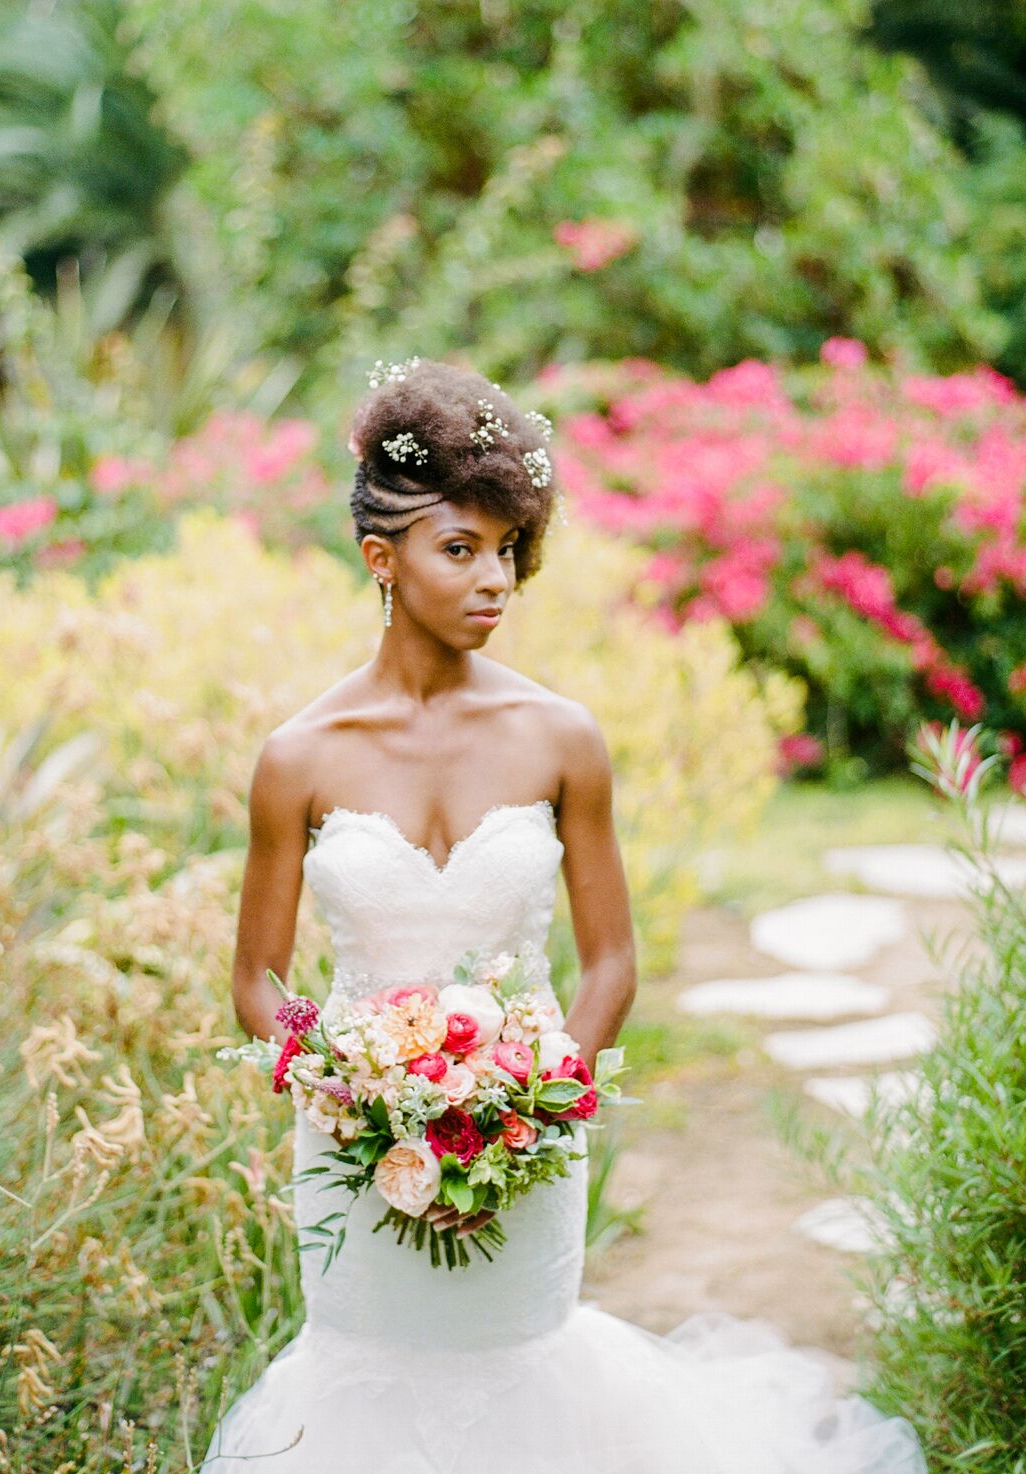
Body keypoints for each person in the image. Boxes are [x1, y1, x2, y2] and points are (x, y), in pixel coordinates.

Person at [202, 358, 928, 1472]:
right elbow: (257, 977)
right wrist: (356, 1102)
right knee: (362, 1386)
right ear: (380, 560)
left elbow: (610, 964)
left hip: (529, 1146)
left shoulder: (561, 739)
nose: (494, 579)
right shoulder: (297, 757)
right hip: (350, 1158)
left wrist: (520, 1114)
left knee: (525, 1384)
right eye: (461, 550)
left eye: (508, 550)